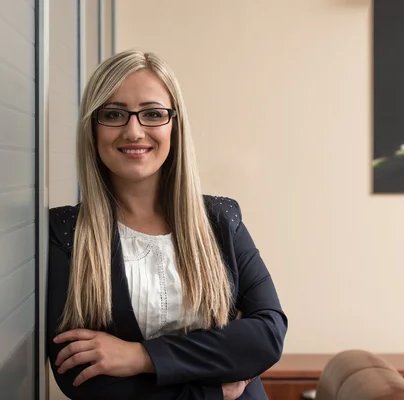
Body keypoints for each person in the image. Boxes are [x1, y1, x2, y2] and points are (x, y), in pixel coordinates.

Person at [47, 49, 288, 400]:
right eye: (113, 114)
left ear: (174, 125)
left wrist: (139, 356)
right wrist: (214, 391)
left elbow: (266, 336)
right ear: (92, 126)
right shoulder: (66, 232)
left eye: (153, 114)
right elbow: (85, 379)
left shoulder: (220, 221)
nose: (133, 130)